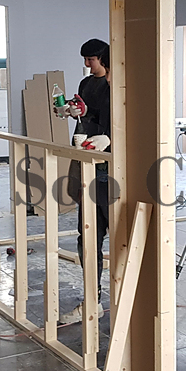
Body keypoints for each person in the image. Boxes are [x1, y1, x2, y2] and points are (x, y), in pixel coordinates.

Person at [59, 45, 111, 325]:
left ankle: (130, 301)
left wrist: (110, 138)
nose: (88, 65)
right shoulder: (86, 83)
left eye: (91, 60)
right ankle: (93, 299)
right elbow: (89, 116)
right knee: (88, 235)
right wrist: (74, 111)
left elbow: (122, 121)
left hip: (110, 170)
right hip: (88, 162)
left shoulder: (118, 87)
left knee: (119, 235)